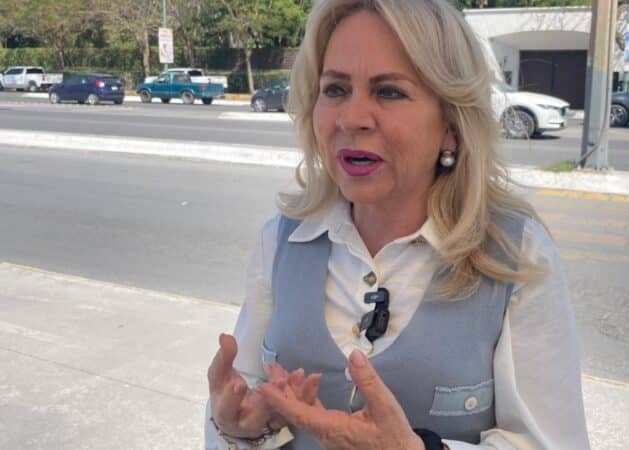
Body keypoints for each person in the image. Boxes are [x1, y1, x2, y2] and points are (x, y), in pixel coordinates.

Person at [206, 0, 590, 449]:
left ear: (451, 124)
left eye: (389, 92)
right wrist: (239, 431)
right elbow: (241, 401)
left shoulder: (514, 252)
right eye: (335, 89)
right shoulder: (282, 238)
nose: (352, 119)